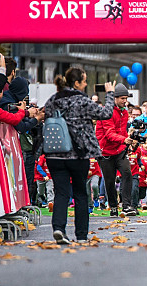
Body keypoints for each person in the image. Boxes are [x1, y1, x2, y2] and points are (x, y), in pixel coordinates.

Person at [44, 68, 115, 244]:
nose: (85, 84)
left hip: (54, 153)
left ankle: (59, 228)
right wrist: (110, 94)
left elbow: (44, 116)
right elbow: (106, 114)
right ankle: (81, 235)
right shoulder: (82, 101)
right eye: (84, 81)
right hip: (77, 153)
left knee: (61, 193)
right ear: (76, 83)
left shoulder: (54, 99)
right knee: (80, 194)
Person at [96, 83, 136, 218]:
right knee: (109, 180)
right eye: (122, 98)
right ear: (114, 98)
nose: (125, 101)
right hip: (105, 151)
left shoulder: (124, 112)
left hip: (119, 149)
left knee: (127, 172)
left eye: (126, 98)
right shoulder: (106, 112)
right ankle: (113, 206)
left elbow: (122, 131)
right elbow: (109, 134)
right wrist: (124, 140)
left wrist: (129, 140)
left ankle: (126, 206)